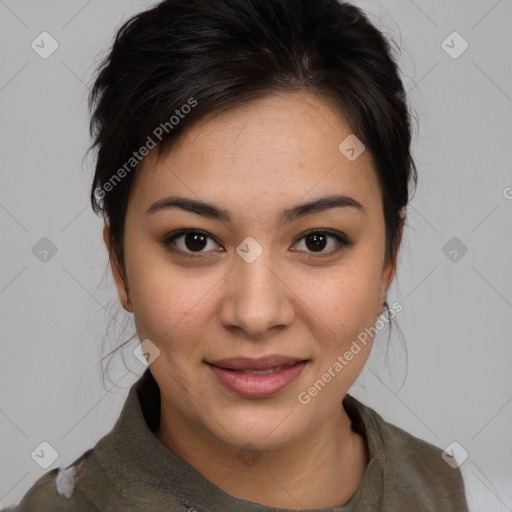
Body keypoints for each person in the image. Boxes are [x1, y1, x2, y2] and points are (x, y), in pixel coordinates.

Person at [6, 0, 472, 510]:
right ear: (119, 264)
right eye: (195, 241)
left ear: (389, 258)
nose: (255, 314)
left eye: (317, 240)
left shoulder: (435, 484)